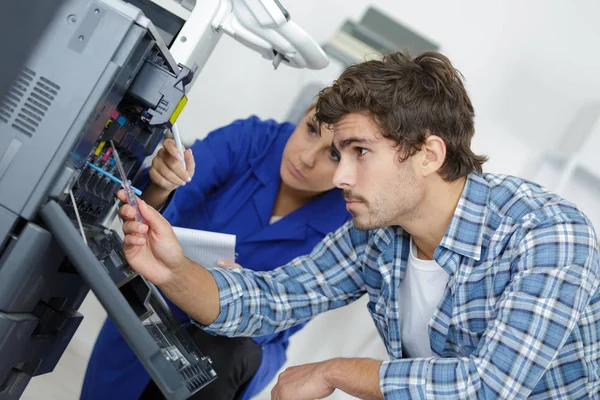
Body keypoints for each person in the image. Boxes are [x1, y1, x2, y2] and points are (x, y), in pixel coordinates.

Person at [116, 51, 600, 399]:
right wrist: (171, 270)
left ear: (428, 154)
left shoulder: (547, 235)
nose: (342, 177)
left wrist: (334, 371)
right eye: (339, 153)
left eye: (360, 152)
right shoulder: (378, 234)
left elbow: (489, 387)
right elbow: (271, 299)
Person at [80, 105, 350, 400]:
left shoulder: (348, 222)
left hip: (242, 341)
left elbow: (295, 311)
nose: (307, 157)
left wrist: (244, 297)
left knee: (226, 351)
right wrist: (163, 183)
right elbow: (170, 198)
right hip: (161, 303)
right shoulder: (251, 139)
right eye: (311, 129)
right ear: (306, 112)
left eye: (334, 155)